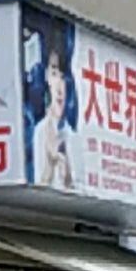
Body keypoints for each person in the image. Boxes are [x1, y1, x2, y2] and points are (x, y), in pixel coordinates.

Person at [35, 33, 76, 188]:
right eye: (54, 74)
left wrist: (68, 177)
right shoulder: (39, 132)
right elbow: (38, 188)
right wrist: (51, 164)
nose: (59, 87)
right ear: (46, 77)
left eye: (63, 77)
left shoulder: (72, 136)